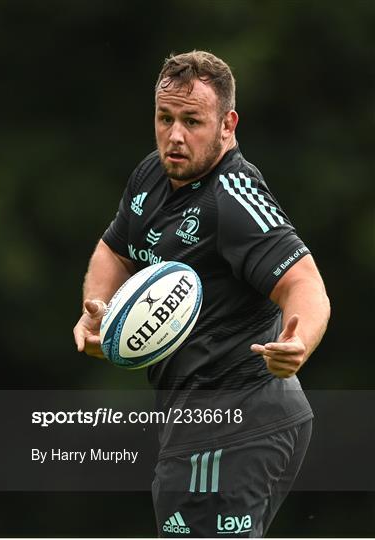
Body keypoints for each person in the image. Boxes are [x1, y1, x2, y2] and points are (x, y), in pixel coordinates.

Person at [73, 50, 330, 537]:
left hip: (240, 421)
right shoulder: (152, 175)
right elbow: (114, 248)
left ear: (227, 125)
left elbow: (305, 283)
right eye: (165, 117)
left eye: (192, 121)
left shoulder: (231, 197)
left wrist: (301, 343)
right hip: (197, 422)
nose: (174, 135)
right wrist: (97, 312)